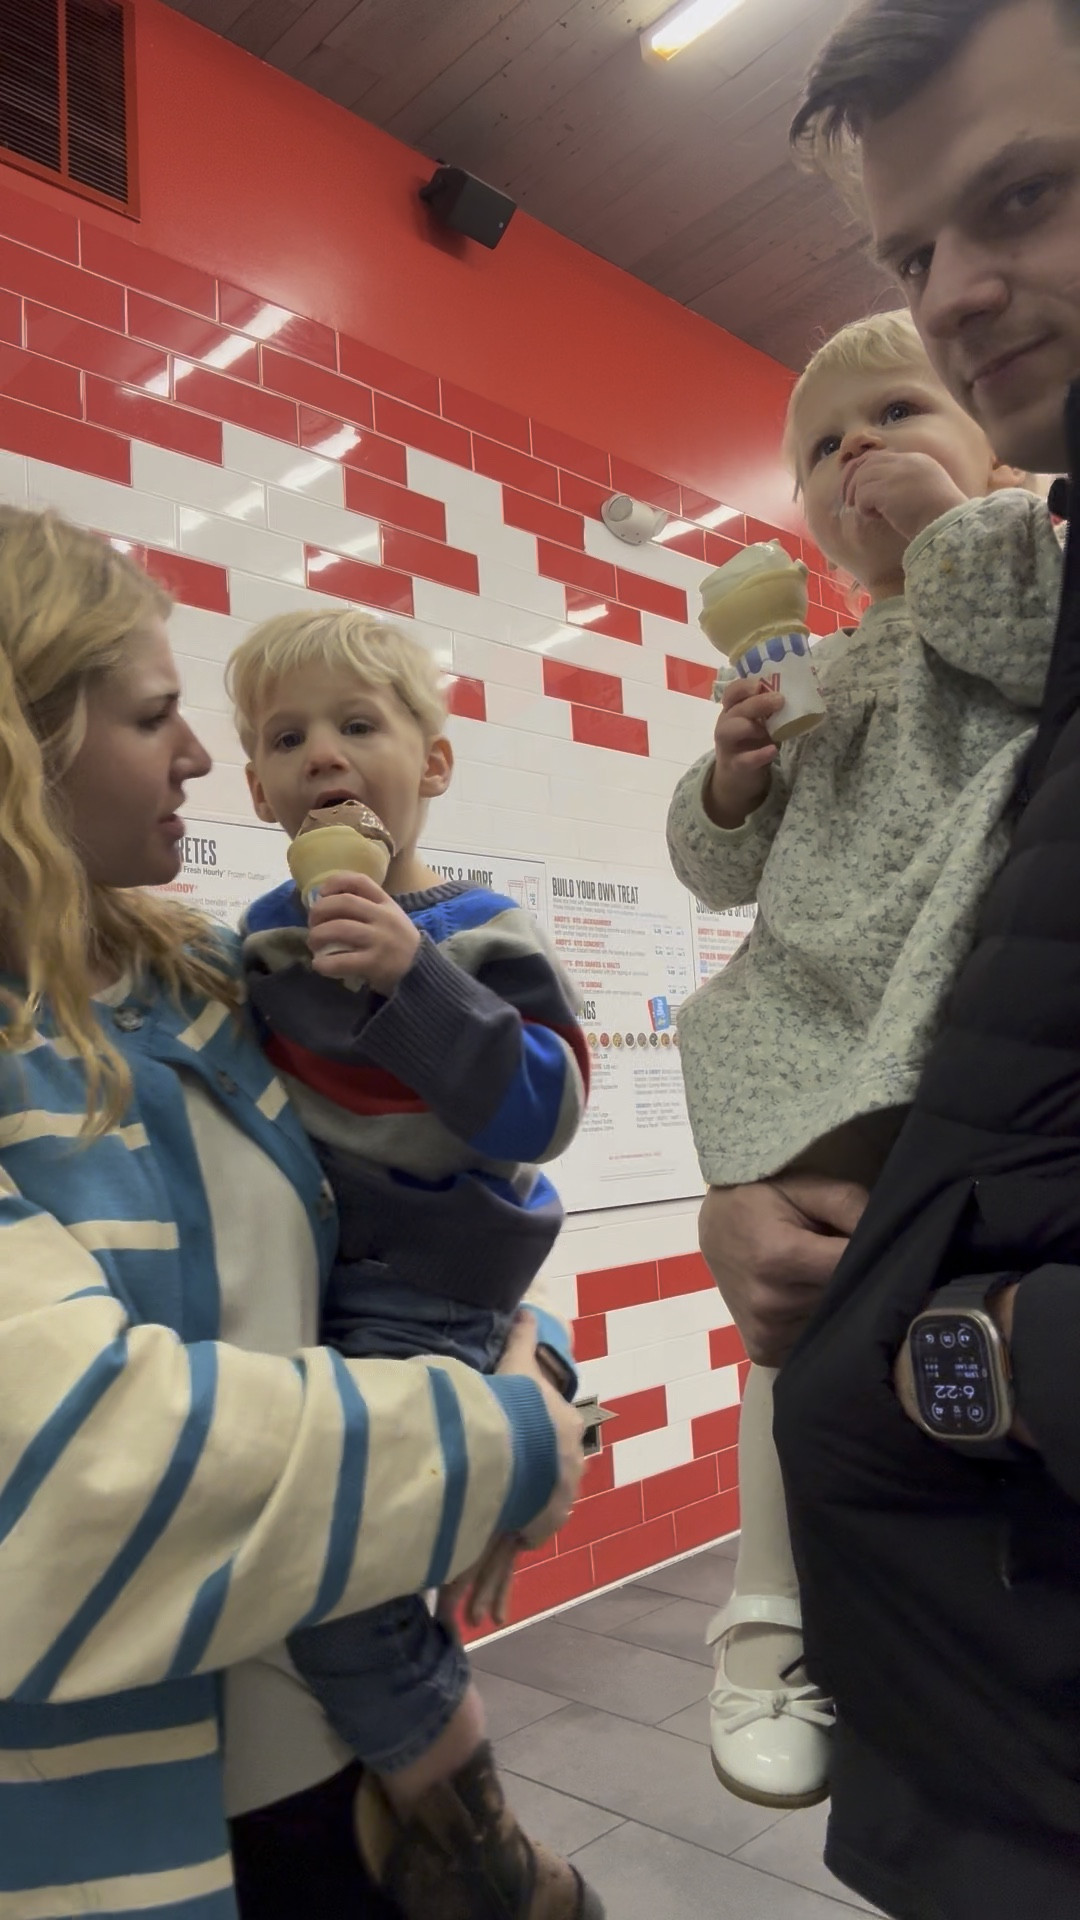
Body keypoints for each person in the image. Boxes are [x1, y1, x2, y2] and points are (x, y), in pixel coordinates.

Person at [0, 503, 584, 1920]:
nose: (208, 756)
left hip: (329, 1774)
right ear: (25, 749)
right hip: (125, 1827)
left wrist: (537, 1365)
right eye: (157, 716)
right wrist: (502, 1442)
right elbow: (78, 1473)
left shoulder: (203, 974)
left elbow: (452, 1173)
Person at [691, 1, 1080, 1914]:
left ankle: (776, 1615)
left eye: (1026, 195)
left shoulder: (1015, 570)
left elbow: (1027, 648)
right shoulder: (836, 654)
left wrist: (989, 1357)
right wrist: (736, 773)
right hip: (980, 1759)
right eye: (915, 258)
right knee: (784, 1294)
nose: (965, 295)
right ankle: (768, 1617)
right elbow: (712, 854)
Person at [225, 609, 599, 1920]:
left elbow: (544, 1111)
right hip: (319, 1291)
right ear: (254, 782)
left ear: (432, 766)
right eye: (288, 738)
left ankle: (463, 1818)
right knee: (351, 1560)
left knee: (344, 1586)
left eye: (359, 726)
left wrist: (412, 982)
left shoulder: (480, 930)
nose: (324, 757)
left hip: (431, 1288)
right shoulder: (255, 946)